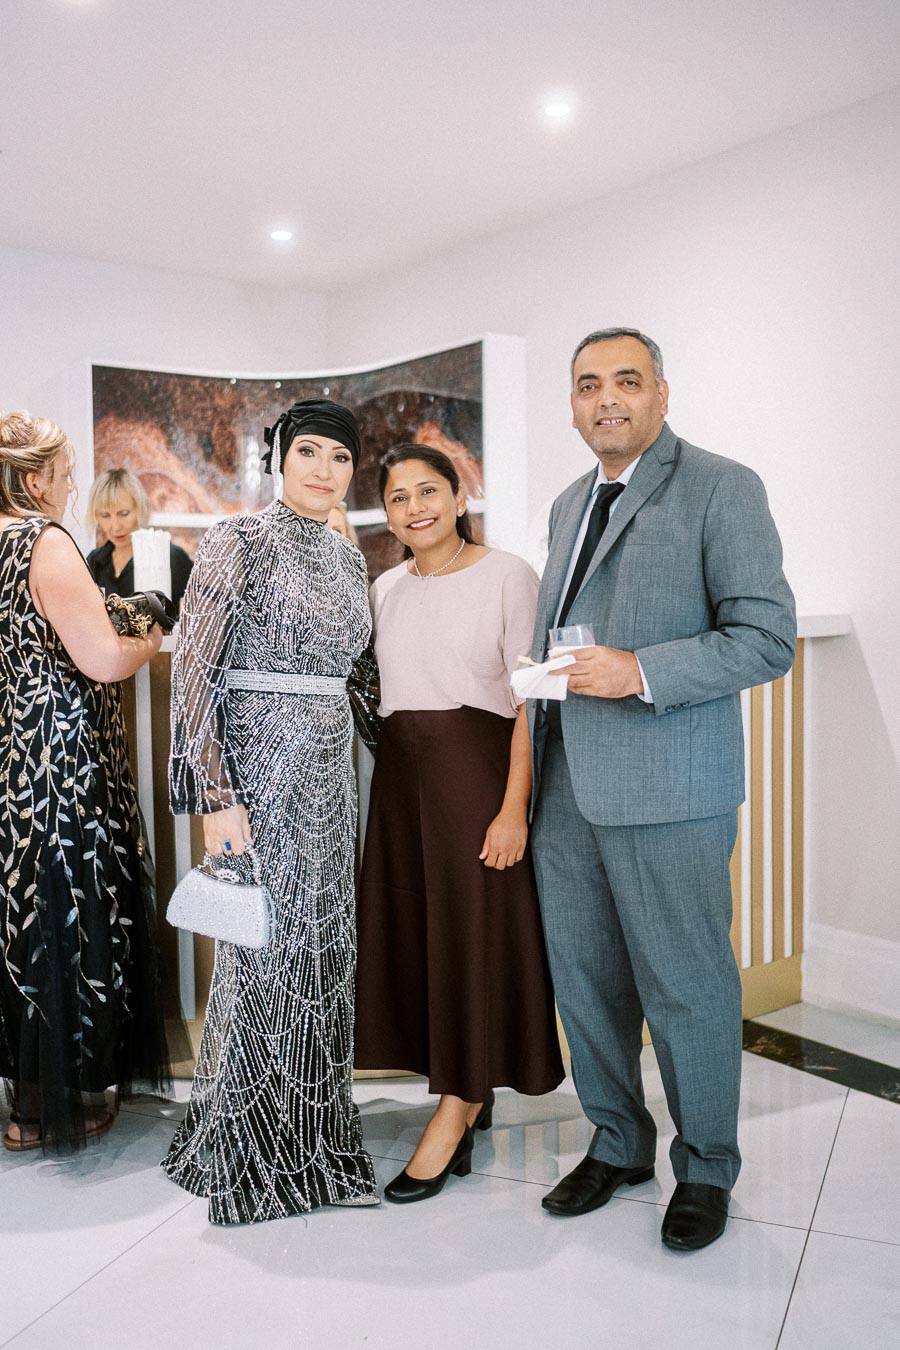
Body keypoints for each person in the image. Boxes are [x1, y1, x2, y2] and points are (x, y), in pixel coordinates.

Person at [528, 328, 796, 1251]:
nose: (607, 398)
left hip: (671, 786)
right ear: (572, 404)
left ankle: (708, 1166)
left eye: (627, 381)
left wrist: (639, 670)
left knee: (686, 986)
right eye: (588, 384)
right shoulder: (567, 504)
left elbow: (767, 637)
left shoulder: (722, 486)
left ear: (661, 394)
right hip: (566, 788)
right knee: (587, 985)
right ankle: (617, 1141)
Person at [162, 398, 380, 1225]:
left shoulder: (349, 559)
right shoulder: (238, 539)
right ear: (279, 458)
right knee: (263, 953)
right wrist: (215, 797)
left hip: (329, 775)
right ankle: (250, 1150)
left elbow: (361, 677)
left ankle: (315, 1142)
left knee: (323, 951)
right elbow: (193, 669)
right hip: (255, 773)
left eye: (340, 457)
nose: (325, 470)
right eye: (309, 452)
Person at [354, 444, 564, 1203]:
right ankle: (463, 1088)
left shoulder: (508, 575)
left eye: (428, 491)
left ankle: (458, 1106)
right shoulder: (384, 588)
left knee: (472, 937)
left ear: (457, 496)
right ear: (387, 516)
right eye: (398, 497)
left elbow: (533, 701)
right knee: (423, 939)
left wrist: (513, 809)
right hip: (401, 783)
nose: (415, 507)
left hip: (476, 778)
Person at [0, 410, 170, 1152]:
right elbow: (100, 658)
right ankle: (50, 1106)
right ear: (34, 479)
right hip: (58, 759)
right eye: (66, 476)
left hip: (8, 753)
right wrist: (148, 639)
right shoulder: (45, 543)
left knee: (20, 918)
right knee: (67, 914)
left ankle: (26, 1098)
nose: (71, 490)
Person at [86, 467, 193, 611]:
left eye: (124, 513)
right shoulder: (95, 562)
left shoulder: (170, 557)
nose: (116, 526)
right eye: (105, 515)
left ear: (140, 509)